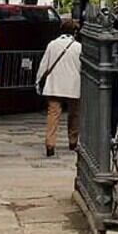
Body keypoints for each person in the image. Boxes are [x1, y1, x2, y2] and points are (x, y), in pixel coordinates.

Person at [35, 18, 83, 157]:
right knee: (74, 115)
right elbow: (82, 68)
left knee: (53, 115)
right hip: (73, 85)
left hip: (54, 85)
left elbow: (44, 65)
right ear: (75, 32)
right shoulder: (79, 47)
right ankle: (73, 141)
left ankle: (50, 144)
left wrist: (38, 81)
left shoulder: (52, 45)